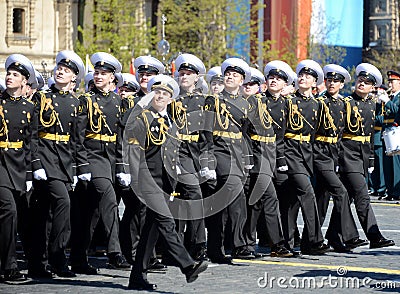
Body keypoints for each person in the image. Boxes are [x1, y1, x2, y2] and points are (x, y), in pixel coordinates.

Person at [125, 74, 208, 290]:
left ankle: (137, 277)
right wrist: (132, 176)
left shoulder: (171, 122)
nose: (160, 96)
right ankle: (187, 266)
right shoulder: (141, 118)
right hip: (147, 179)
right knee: (167, 222)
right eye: (157, 92)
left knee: (151, 230)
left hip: (166, 181)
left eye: (165, 94)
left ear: (171, 100)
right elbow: (133, 150)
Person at [70, 52, 130, 274]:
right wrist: (81, 166)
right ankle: (115, 252)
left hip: (112, 157)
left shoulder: (119, 102)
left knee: (91, 212)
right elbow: (78, 137)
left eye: (103, 73)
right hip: (92, 156)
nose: (98, 76)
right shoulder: (86, 101)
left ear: (113, 78)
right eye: (96, 72)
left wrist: (122, 167)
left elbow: (122, 138)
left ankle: (78, 257)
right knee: (110, 199)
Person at [27, 51, 86, 278]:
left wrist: (81, 169)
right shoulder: (41, 98)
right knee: (62, 202)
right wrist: (35, 162)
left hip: (63, 160)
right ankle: (57, 256)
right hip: (44, 155)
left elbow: (77, 140)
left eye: (67, 70)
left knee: (44, 213)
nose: (61, 71)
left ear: (74, 78)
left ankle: (38, 263)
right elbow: (32, 133)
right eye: (59, 68)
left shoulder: (76, 103)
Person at [339, 63, 395, 249]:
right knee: (362, 196)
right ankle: (374, 236)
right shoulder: (346, 104)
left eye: (367, 82)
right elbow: (338, 133)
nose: (362, 84)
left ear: (373, 87)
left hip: (362, 156)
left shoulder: (373, 105)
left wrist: (370, 157)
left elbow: (373, 131)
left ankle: (334, 236)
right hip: (347, 155)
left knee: (346, 197)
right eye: (360, 80)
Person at [204, 57, 254, 262]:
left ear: (242, 81)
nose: (230, 77)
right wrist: (207, 161)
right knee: (237, 194)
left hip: (237, 154)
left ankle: (216, 248)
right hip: (219, 151)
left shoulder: (245, 103)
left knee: (221, 204)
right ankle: (239, 245)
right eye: (228, 74)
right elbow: (206, 131)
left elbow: (246, 133)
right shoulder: (213, 100)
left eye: (235, 75)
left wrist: (248, 156)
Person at [243, 65, 292, 258]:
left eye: (278, 79)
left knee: (256, 203)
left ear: (285, 84)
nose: (273, 81)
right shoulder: (256, 101)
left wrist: (280, 158)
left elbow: (280, 136)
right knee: (270, 199)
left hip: (271, 155)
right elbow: (245, 131)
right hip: (256, 153)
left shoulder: (284, 104)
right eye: (271, 78)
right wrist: (248, 156)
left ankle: (246, 243)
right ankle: (277, 244)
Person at [283, 59, 329, 255]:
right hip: (290, 151)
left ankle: (289, 240)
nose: (303, 78)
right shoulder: (288, 101)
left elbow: (322, 133)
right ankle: (315, 239)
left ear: (314, 83)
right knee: (307, 192)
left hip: (307, 154)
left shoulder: (318, 105)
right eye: (301, 75)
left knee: (291, 201)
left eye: (308, 76)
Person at [313, 64, 361, 252]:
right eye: (329, 80)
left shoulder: (344, 104)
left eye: (336, 81)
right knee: (341, 193)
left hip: (335, 155)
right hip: (319, 153)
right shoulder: (318, 102)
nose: (332, 83)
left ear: (342, 85)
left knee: (322, 200)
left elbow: (344, 134)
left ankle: (323, 238)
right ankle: (350, 236)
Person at [168, 53, 210, 262]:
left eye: (188, 74)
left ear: (196, 77)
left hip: (194, 152)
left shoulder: (203, 101)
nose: (183, 77)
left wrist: (206, 161)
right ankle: (176, 247)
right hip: (177, 151)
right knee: (184, 197)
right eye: (181, 73)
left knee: (192, 198)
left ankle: (196, 245)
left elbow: (207, 134)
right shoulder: (170, 99)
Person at [0, 53, 37, 282]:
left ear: (25, 81)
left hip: (20, 164)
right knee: (8, 210)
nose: (10, 77)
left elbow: (32, 142)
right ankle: (10, 267)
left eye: (15, 75)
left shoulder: (29, 107)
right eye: (8, 74)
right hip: (1, 162)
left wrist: (32, 171)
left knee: (19, 214)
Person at [377, 70, 400, 200]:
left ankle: (396, 192)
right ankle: (390, 191)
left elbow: (397, 111)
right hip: (386, 132)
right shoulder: (389, 97)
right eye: (389, 81)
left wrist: (388, 102)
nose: (390, 84)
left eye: (392, 81)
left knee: (395, 164)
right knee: (387, 164)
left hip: (396, 133)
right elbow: (382, 117)